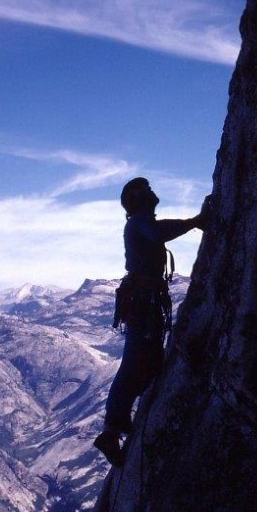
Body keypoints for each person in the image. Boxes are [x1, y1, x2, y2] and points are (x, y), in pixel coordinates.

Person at [94, 177, 210, 466]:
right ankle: (110, 431)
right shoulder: (140, 223)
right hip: (143, 301)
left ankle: (120, 421)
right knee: (135, 361)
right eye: (144, 189)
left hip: (146, 299)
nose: (150, 191)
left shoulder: (139, 222)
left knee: (149, 361)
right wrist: (196, 221)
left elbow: (157, 232)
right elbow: (157, 233)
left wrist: (195, 221)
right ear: (138, 199)